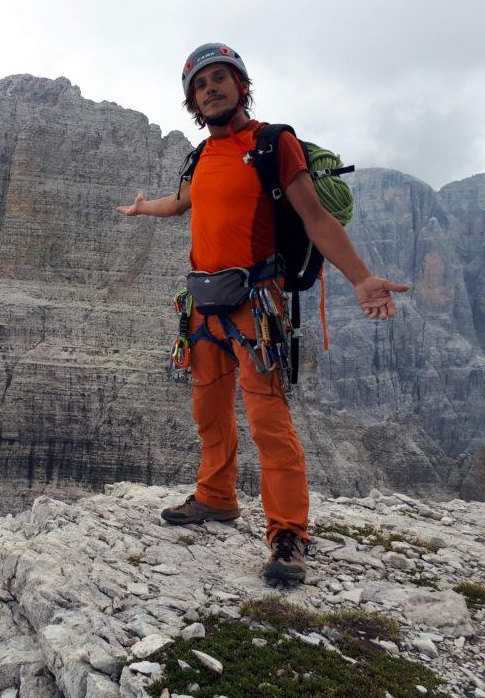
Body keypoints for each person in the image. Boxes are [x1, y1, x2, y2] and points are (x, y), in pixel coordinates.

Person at [117, 43, 409, 582]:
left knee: (269, 422)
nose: (210, 89)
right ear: (193, 102)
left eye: (220, 78)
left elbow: (316, 218)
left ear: (242, 86)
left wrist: (362, 279)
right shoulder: (200, 156)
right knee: (209, 411)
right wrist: (143, 207)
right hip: (203, 304)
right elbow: (183, 203)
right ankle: (216, 497)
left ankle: (287, 533)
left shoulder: (275, 144)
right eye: (200, 85)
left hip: (256, 306)